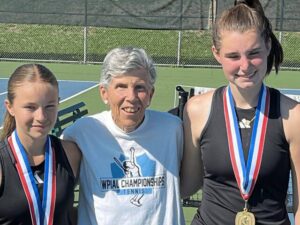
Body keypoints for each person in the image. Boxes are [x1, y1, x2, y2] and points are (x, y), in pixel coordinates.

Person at [180, 0, 300, 224]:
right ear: (216, 54)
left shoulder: (293, 116)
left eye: (253, 53)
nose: (245, 66)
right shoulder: (196, 110)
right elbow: (187, 185)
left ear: (268, 45)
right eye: (233, 56)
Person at [61, 47, 185, 225]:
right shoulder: (80, 133)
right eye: (121, 86)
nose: (131, 97)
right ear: (104, 93)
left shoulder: (173, 129)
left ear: (151, 94)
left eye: (140, 87)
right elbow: (58, 198)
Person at [0, 64, 81, 225]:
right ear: (10, 107)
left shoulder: (71, 154)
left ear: (58, 103)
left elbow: (66, 211)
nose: (41, 116)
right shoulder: (2, 163)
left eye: (49, 106)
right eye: (30, 107)